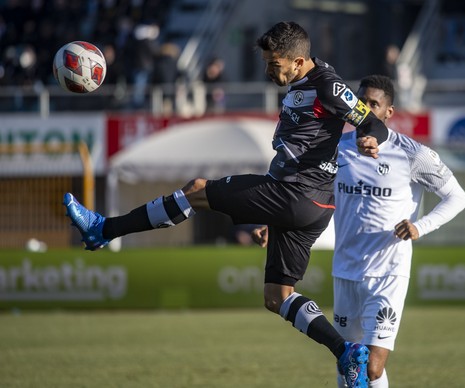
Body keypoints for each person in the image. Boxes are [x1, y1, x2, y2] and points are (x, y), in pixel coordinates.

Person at [63, 21, 391, 388]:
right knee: (276, 296)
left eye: (275, 64)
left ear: (299, 62)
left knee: (198, 190)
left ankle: (103, 229)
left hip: (295, 192)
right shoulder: (307, 79)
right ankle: (346, 352)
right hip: (309, 206)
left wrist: (368, 138)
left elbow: (374, 123)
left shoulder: (327, 85)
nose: (269, 71)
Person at [253, 75, 465, 387]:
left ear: (388, 113)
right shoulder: (335, 150)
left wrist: (420, 226)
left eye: (374, 104)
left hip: (388, 273)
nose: (365, 110)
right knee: (348, 362)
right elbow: (306, 196)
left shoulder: (412, 154)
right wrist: (277, 227)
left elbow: (457, 196)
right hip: (347, 271)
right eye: (360, 102)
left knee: (372, 368)